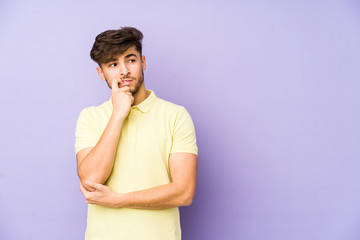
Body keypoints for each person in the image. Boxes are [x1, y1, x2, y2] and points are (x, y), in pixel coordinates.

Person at [74, 27, 198, 240]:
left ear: (143, 62)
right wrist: (117, 116)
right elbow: (91, 180)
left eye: (130, 60)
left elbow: (184, 192)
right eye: (113, 64)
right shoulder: (90, 117)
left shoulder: (176, 115)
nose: (123, 71)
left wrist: (118, 199)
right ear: (101, 73)